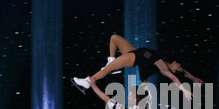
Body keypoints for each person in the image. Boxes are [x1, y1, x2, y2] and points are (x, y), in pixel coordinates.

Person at [72, 34, 204, 100]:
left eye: (178, 65)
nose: (178, 62)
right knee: (114, 38)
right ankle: (110, 61)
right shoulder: (167, 62)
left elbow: (175, 77)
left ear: (174, 69)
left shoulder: (164, 68)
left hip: (135, 58)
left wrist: (183, 90)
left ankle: (88, 82)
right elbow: (183, 72)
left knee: (107, 70)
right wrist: (194, 78)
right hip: (135, 51)